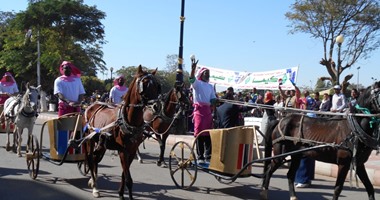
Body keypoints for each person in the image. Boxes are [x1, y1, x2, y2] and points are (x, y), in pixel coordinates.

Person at [190, 58, 217, 164]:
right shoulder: (197, 84)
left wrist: (216, 102)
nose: (208, 74)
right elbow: (191, 78)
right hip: (199, 112)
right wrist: (193, 69)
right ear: (201, 74)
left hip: (208, 112)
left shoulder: (210, 86)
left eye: (208, 73)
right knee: (200, 134)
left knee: (208, 134)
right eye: (206, 73)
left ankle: (208, 156)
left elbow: (213, 99)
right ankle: (200, 156)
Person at [295, 90, 316, 188]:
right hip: (309, 127)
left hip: (309, 129)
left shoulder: (309, 111)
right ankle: (305, 179)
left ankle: (304, 180)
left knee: (304, 154)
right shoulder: (306, 101)